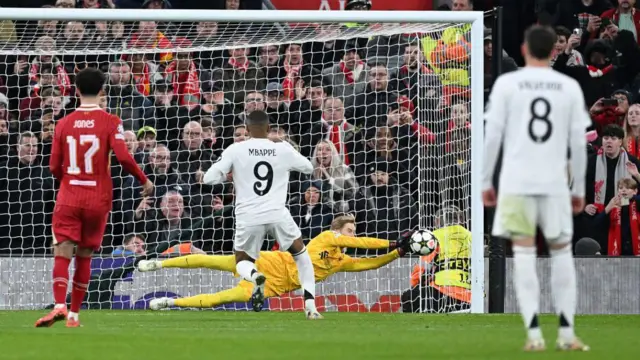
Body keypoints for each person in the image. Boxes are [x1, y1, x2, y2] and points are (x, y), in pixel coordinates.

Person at [482, 25, 590, 351]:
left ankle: (533, 335)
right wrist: (579, 188)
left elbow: (493, 137)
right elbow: (578, 143)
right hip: (555, 182)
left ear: (524, 50)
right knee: (560, 255)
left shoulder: (507, 84)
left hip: (516, 183)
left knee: (525, 255)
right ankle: (567, 334)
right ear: (553, 51)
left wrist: (486, 180)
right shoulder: (568, 86)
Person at [35, 68, 154, 328]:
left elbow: (54, 166)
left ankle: (58, 306)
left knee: (62, 252)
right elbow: (123, 157)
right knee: (85, 256)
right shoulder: (111, 121)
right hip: (97, 199)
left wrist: (68, 181)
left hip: (69, 195)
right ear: (102, 91)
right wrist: (144, 179)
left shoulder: (64, 123)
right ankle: (75, 315)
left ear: (76, 91)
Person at [138, 214, 412, 310]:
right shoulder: (328, 237)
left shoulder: (340, 261)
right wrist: (392, 241)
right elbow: (361, 244)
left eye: (354, 230)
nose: (354, 234)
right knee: (213, 261)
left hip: (273, 287)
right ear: (339, 231)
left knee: (220, 298)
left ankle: (170, 303)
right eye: (350, 230)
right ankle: (158, 264)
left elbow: (370, 263)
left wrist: (396, 253)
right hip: (270, 262)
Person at [200, 110, 321, 319]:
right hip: (277, 214)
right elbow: (309, 168)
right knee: (301, 255)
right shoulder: (282, 148)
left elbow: (209, 179)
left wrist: (229, 176)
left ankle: (255, 276)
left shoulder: (236, 149)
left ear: (246, 130)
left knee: (241, 262)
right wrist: (285, 151)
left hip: (248, 216)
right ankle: (311, 306)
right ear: (269, 129)